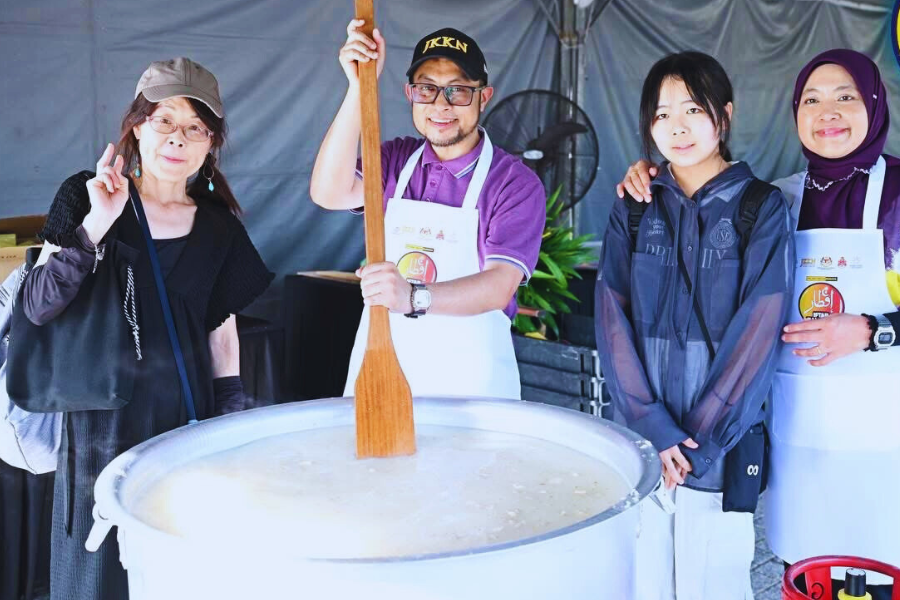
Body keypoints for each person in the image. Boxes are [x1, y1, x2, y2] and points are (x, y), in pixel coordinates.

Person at [617, 49, 899, 600]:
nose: (827, 112)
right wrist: (646, 175)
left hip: (886, 439)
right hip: (799, 436)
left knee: (880, 570)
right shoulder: (779, 199)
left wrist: (874, 329)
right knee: (807, 572)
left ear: (874, 103)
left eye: (845, 97)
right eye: (811, 100)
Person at [22, 57, 273, 600]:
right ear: (137, 125)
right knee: (96, 574)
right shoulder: (85, 195)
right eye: (165, 120)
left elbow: (221, 335)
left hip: (183, 423)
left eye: (195, 128)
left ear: (211, 144)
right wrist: (98, 223)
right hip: (98, 426)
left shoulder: (219, 229)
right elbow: (37, 306)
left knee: (175, 570)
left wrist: (230, 425)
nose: (177, 138)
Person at [595, 51, 793, 600]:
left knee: (715, 583)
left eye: (692, 110)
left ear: (723, 116)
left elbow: (759, 331)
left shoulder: (760, 208)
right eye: (662, 115)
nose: (677, 127)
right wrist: (654, 430)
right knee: (640, 583)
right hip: (640, 446)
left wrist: (695, 444)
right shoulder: (635, 206)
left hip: (718, 451)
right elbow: (612, 319)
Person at [310, 22, 545, 399]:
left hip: (473, 389)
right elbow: (328, 192)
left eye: (458, 90)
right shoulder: (395, 160)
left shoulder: (513, 183)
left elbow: (500, 285)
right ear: (410, 94)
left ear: (484, 97)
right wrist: (359, 87)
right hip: (382, 373)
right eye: (426, 88)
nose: (441, 104)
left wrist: (412, 297)